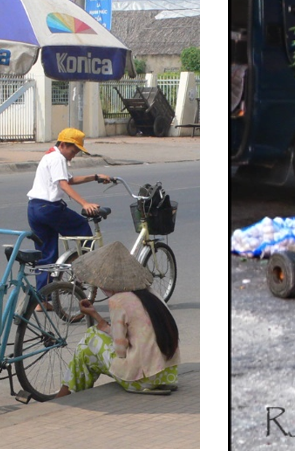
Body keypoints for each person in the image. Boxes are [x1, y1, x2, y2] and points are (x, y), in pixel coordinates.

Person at [55, 241, 180, 397]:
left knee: (89, 340)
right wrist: (96, 316)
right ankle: (69, 391)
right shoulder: (152, 295)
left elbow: (120, 350)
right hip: (168, 375)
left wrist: (100, 333)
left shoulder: (118, 301)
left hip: (143, 379)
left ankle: (67, 392)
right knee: (89, 346)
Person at [26, 128, 112, 291]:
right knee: (83, 228)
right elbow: (64, 185)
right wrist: (84, 204)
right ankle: (84, 272)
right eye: (73, 151)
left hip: (34, 209)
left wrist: (94, 177)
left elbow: (69, 179)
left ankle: (42, 298)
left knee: (46, 255)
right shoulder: (58, 158)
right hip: (49, 209)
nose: (74, 155)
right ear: (64, 144)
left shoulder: (50, 155)